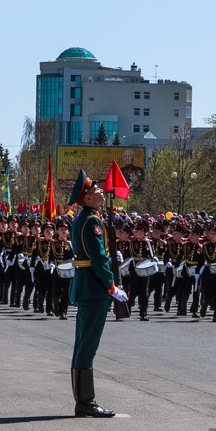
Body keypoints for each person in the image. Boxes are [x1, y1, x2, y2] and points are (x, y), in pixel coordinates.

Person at [68, 170, 128, 418]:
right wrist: (111, 286)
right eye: (95, 190)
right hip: (94, 288)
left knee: (82, 344)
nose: (101, 191)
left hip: (86, 286)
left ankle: (83, 400)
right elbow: (99, 259)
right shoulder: (91, 221)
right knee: (88, 346)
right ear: (87, 199)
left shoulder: (83, 219)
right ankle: (86, 401)